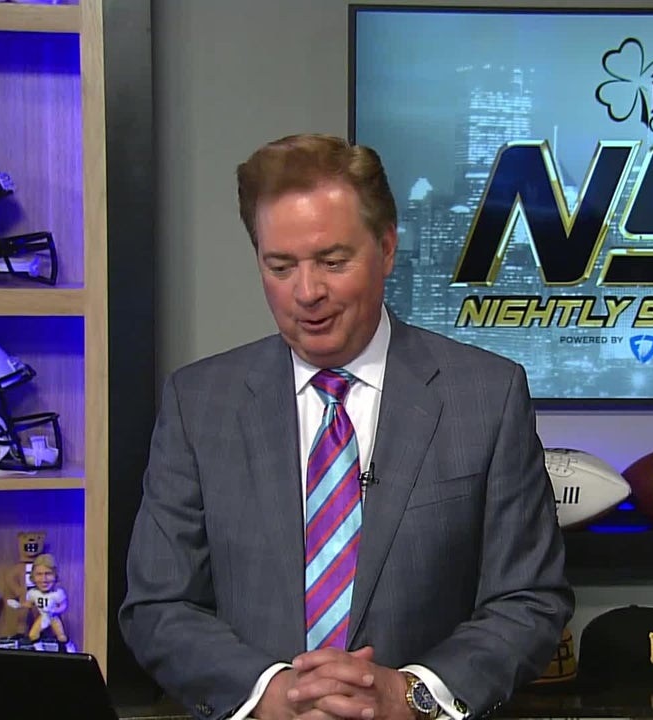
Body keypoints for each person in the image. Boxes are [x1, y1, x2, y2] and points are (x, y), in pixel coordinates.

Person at [119, 133, 573, 720]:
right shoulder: (200, 402)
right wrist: (272, 694)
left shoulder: (486, 396)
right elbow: (159, 605)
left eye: (333, 262)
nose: (307, 292)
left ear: (386, 248)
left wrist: (411, 695)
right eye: (280, 266)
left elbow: (529, 598)